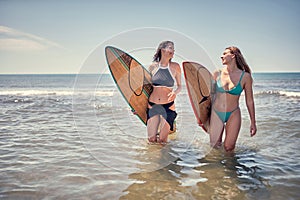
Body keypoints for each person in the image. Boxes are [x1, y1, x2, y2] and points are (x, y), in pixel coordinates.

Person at [209, 46, 257, 152]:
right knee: (214, 146)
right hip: (216, 113)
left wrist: (253, 122)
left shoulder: (245, 77)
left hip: (233, 113)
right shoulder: (217, 74)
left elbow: (249, 101)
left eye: (225, 53)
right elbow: (210, 96)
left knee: (229, 147)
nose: (221, 56)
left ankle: (229, 168)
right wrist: (202, 117)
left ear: (233, 56)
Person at [147, 41, 182, 144]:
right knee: (151, 139)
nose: (173, 51)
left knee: (162, 141)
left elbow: (180, 86)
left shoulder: (175, 67)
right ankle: (151, 159)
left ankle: (165, 159)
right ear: (162, 50)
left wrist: (175, 93)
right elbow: (146, 88)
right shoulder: (153, 66)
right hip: (152, 105)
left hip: (168, 106)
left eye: (173, 49)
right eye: (170, 48)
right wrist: (137, 106)